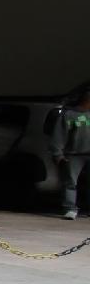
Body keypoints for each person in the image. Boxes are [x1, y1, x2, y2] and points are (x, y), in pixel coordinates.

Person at [53, 85, 90, 220]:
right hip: (74, 154)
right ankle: (70, 208)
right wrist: (58, 154)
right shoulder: (70, 115)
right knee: (70, 182)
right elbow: (59, 135)